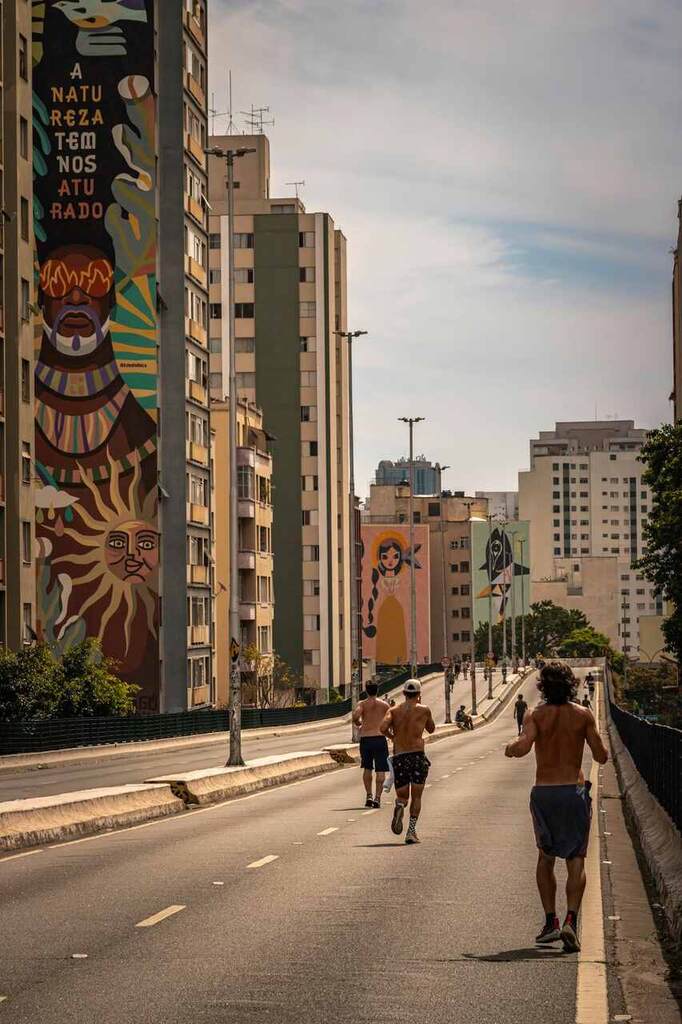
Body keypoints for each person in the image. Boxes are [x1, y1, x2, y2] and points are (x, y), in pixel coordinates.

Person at [504, 661, 608, 952]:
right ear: (571, 684)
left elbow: (523, 746)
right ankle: (571, 922)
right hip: (574, 791)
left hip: (545, 793)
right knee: (576, 859)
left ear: (543, 687)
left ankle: (550, 921)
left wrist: (510, 747)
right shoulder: (584, 715)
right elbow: (601, 756)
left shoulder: (535, 715)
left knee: (545, 858)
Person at [380, 679, 435, 844]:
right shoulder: (424, 710)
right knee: (416, 797)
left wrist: (394, 737)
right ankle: (411, 832)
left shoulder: (394, 710)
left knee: (403, 796)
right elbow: (431, 729)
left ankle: (400, 805)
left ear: (403, 693)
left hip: (400, 756)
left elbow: (382, 728)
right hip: (417, 756)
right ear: (419, 694)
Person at [352, 681, 390, 808]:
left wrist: (358, 723)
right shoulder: (384, 705)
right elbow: (391, 718)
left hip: (366, 739)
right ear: (377, 690)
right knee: (381, 770)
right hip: (380, 738)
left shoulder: (362, 704)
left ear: (366, 690)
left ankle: (368, 795)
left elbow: (355, 715)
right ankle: (377, 798)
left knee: (367, 768)